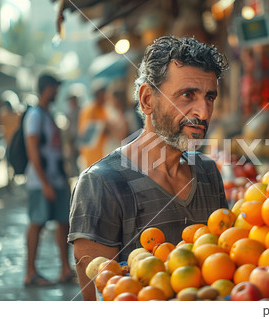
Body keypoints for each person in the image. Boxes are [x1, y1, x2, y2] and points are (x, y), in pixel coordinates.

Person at [68, 36, 229, 300]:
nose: (203, 111)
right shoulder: (101, 184)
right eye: (187, 95)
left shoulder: (209, 173)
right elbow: (101, 296)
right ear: (147, 100)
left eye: (209, 97)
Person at [23, 73, 73, 286]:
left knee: (64, 222)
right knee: (37, 223)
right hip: (40, 181)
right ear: (48, 88)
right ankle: (30, 273)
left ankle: (65, 269)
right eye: (55, 88)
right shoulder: (34, 115)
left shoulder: (47, 115)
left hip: (56, 179)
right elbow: (32, 149)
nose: (57, 92)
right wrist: (44, 183)